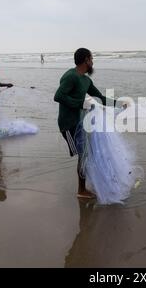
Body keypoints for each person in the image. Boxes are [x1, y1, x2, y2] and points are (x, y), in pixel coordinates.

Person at [54, 48, 116, 199]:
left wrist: (120, 104)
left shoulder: (86, 80)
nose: (93, 62)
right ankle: (81, 190)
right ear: (86, 60)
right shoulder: (71, 76)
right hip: (68, 124)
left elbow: (100, 97)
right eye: (92, 59)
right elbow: (58, 96)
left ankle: (84, 187)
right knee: (83, 155)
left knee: (85, 155)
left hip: (80, 122)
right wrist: (81, 103)